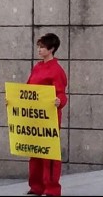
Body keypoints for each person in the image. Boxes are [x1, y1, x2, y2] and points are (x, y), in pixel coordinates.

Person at [26, 33, 68, 196]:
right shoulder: (37, 67)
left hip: (49, 118)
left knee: (49, 154)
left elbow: (61, 93)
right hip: (35, 117)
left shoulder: (57, 70)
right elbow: (27, 90)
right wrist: (13, 101)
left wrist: (59, 102)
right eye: (39, 46)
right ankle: (36, 186)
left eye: (42, 47)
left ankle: (51, 188)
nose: (39, 49)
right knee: (35, 151)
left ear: (51, 49)